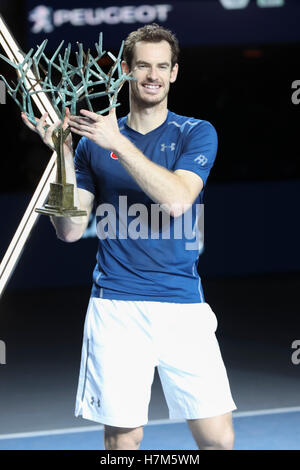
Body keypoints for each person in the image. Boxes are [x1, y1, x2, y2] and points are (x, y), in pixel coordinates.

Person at [22, 23, 236, 450]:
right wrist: (62, 157)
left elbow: (177, 199)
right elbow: (68, 230)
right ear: (124, 70)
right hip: (116, 306)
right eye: (143, 66)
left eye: (162, 66)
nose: (153, 76)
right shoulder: (91, 145)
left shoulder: (196, 133)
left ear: (174, 73)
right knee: (124, 441)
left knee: (218, 441)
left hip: (182, 305)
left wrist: (117, 143)